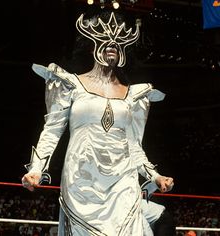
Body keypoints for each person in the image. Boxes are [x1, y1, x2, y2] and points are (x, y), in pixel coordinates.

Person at [22, 10, 174, 236]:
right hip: (81, 180)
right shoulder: (70, 84)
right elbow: (52, 130)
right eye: (104, 39)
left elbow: (133, 145)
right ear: (92, 45)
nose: (111, 44)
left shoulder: (135, 95)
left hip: (123, 180)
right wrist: (36, 170)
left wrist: (154, 176)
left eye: (117, 41)